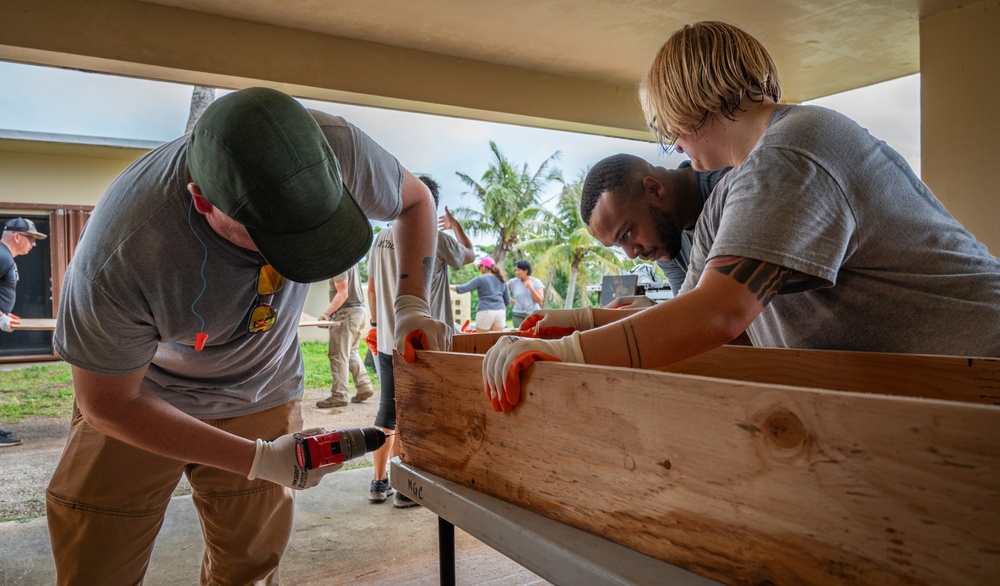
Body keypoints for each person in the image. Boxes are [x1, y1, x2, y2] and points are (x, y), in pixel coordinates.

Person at [481, 20, 1000, 413]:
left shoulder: (792, 152)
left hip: (981, 369)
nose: (677, 145)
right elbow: (689, 316)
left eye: (669, 131)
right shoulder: (735, 190)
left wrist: (570, 353)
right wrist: (579, 321)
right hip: (934, 395)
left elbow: (718, 315)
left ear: (686, 110)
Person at [46, 87, 446, 584]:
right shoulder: (124, 249)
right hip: (144, 396)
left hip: (260, 384)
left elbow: (415, 201)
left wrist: (410, 304)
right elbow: (107, 404)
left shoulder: (338, 147)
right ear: (201, 200)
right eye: (273, 236)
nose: (296, 254)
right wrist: (259, 459)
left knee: (250, 568)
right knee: (96, 561)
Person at [364, 174, 472, 507]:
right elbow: (469, 255)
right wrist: (455, 226)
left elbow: (370, 288)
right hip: (424, 343)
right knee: (416, 414)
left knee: (388, 411)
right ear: (431, 206)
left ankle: (378, 482)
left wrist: (376, 325)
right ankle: (404, 488)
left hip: (386, 339)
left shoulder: (380, 238)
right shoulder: (435, 239)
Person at [581, 154, 730, 296]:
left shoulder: (734, 187)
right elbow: (690, 313)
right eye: (618, 245)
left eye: (626, 234)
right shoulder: (666, 239)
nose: (632, 255)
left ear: (654, 189)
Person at [0, 217, 47, 447]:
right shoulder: (1, 256)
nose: (34, 244)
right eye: (31, 238)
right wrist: (1, 318)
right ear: (17, 236)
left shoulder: (5, 257)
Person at [316, 263, 375, 408]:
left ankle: (339, 395)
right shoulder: (351, 260)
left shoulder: (338, 263)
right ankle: (364, 386)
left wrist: (326, 314)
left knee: (338, 355)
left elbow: (343, 293)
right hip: (359, 311)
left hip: (347, 313)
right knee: (351, 352)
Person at [453, 256, 510, 332]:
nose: (479, 270)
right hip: (500, 311)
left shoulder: (480, 279)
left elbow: (462, 289)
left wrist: (447, 286)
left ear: (484, 267)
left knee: (482, 340)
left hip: (485, 311)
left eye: (479, 267)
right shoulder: (502, 280)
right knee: (497, 340)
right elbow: (507, 300)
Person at [508, 259, 545, 329]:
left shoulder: (536, 282)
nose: (516, 272)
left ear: (526, 271)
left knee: (532, 336)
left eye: (518, 270)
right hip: (517, 314)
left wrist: (531, 288)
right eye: (515, 270)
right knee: (519, 335)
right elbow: (502, 290)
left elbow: (539, 300)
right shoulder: (513, 282)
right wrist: (509, 300)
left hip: (532, 315)